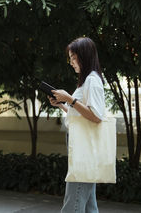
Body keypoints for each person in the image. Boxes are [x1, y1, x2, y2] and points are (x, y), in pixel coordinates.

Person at [49, 37, 105, 213]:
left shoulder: (92, 81)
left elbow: (96, 116)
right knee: (89, 205)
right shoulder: (89, 80)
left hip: (84, 152)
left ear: (84, 56)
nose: (71, 62)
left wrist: (69, 99)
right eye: (70, 58)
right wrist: (64, 105)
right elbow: (81, 116)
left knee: (73, 203)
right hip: (83, 149)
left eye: (74, 57)